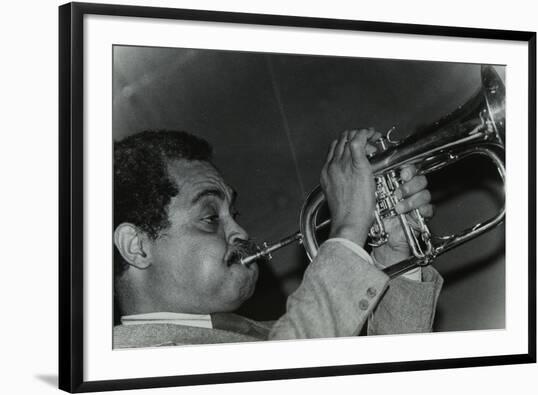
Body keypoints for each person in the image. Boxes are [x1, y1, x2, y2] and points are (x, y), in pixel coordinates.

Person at [113, 129, 443, 348]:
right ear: (137, 247)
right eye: (211, 217)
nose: (240, 232)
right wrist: (348, 231)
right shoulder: (129, 361)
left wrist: (396, 256)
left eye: (234, 215)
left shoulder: (259, 334)